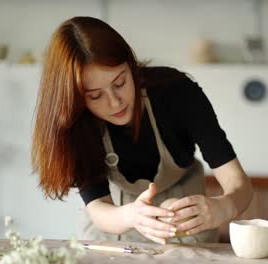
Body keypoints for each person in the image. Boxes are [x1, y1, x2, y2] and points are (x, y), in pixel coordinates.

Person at [32, 16, 253, 244]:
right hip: (115, 222)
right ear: (76, 99)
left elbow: (238, 184)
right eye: (95, 96)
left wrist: (224, 207)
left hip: (186, 221)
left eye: (120, 83)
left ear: (131, 65)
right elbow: (98, 207)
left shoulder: (177, 92)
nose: (115, 102)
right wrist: (131, 215)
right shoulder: (75, 123)